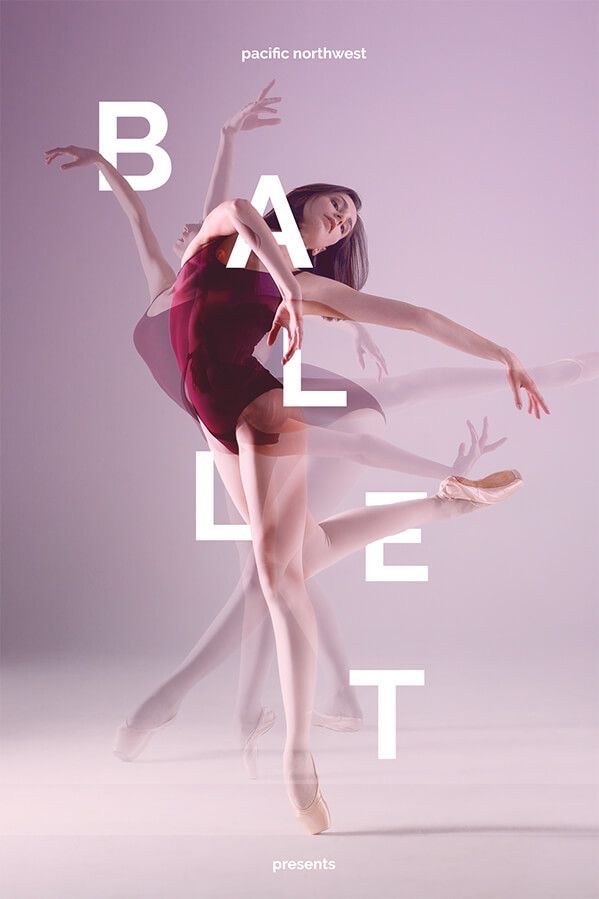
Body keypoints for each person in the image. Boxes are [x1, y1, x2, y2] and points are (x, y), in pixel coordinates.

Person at [43, 83, 586, 835]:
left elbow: (418, 316)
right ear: (300, 203)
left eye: (351, 221)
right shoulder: (222, 240)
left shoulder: (302, 285)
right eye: (336, 204)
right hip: (212, 420)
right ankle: (446, 503)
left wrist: (500, 351)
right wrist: (111, 165)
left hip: (257, 407)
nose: (344, 219)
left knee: (276, 574)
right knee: (300, 553)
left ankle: (298, 755)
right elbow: (229, 212)